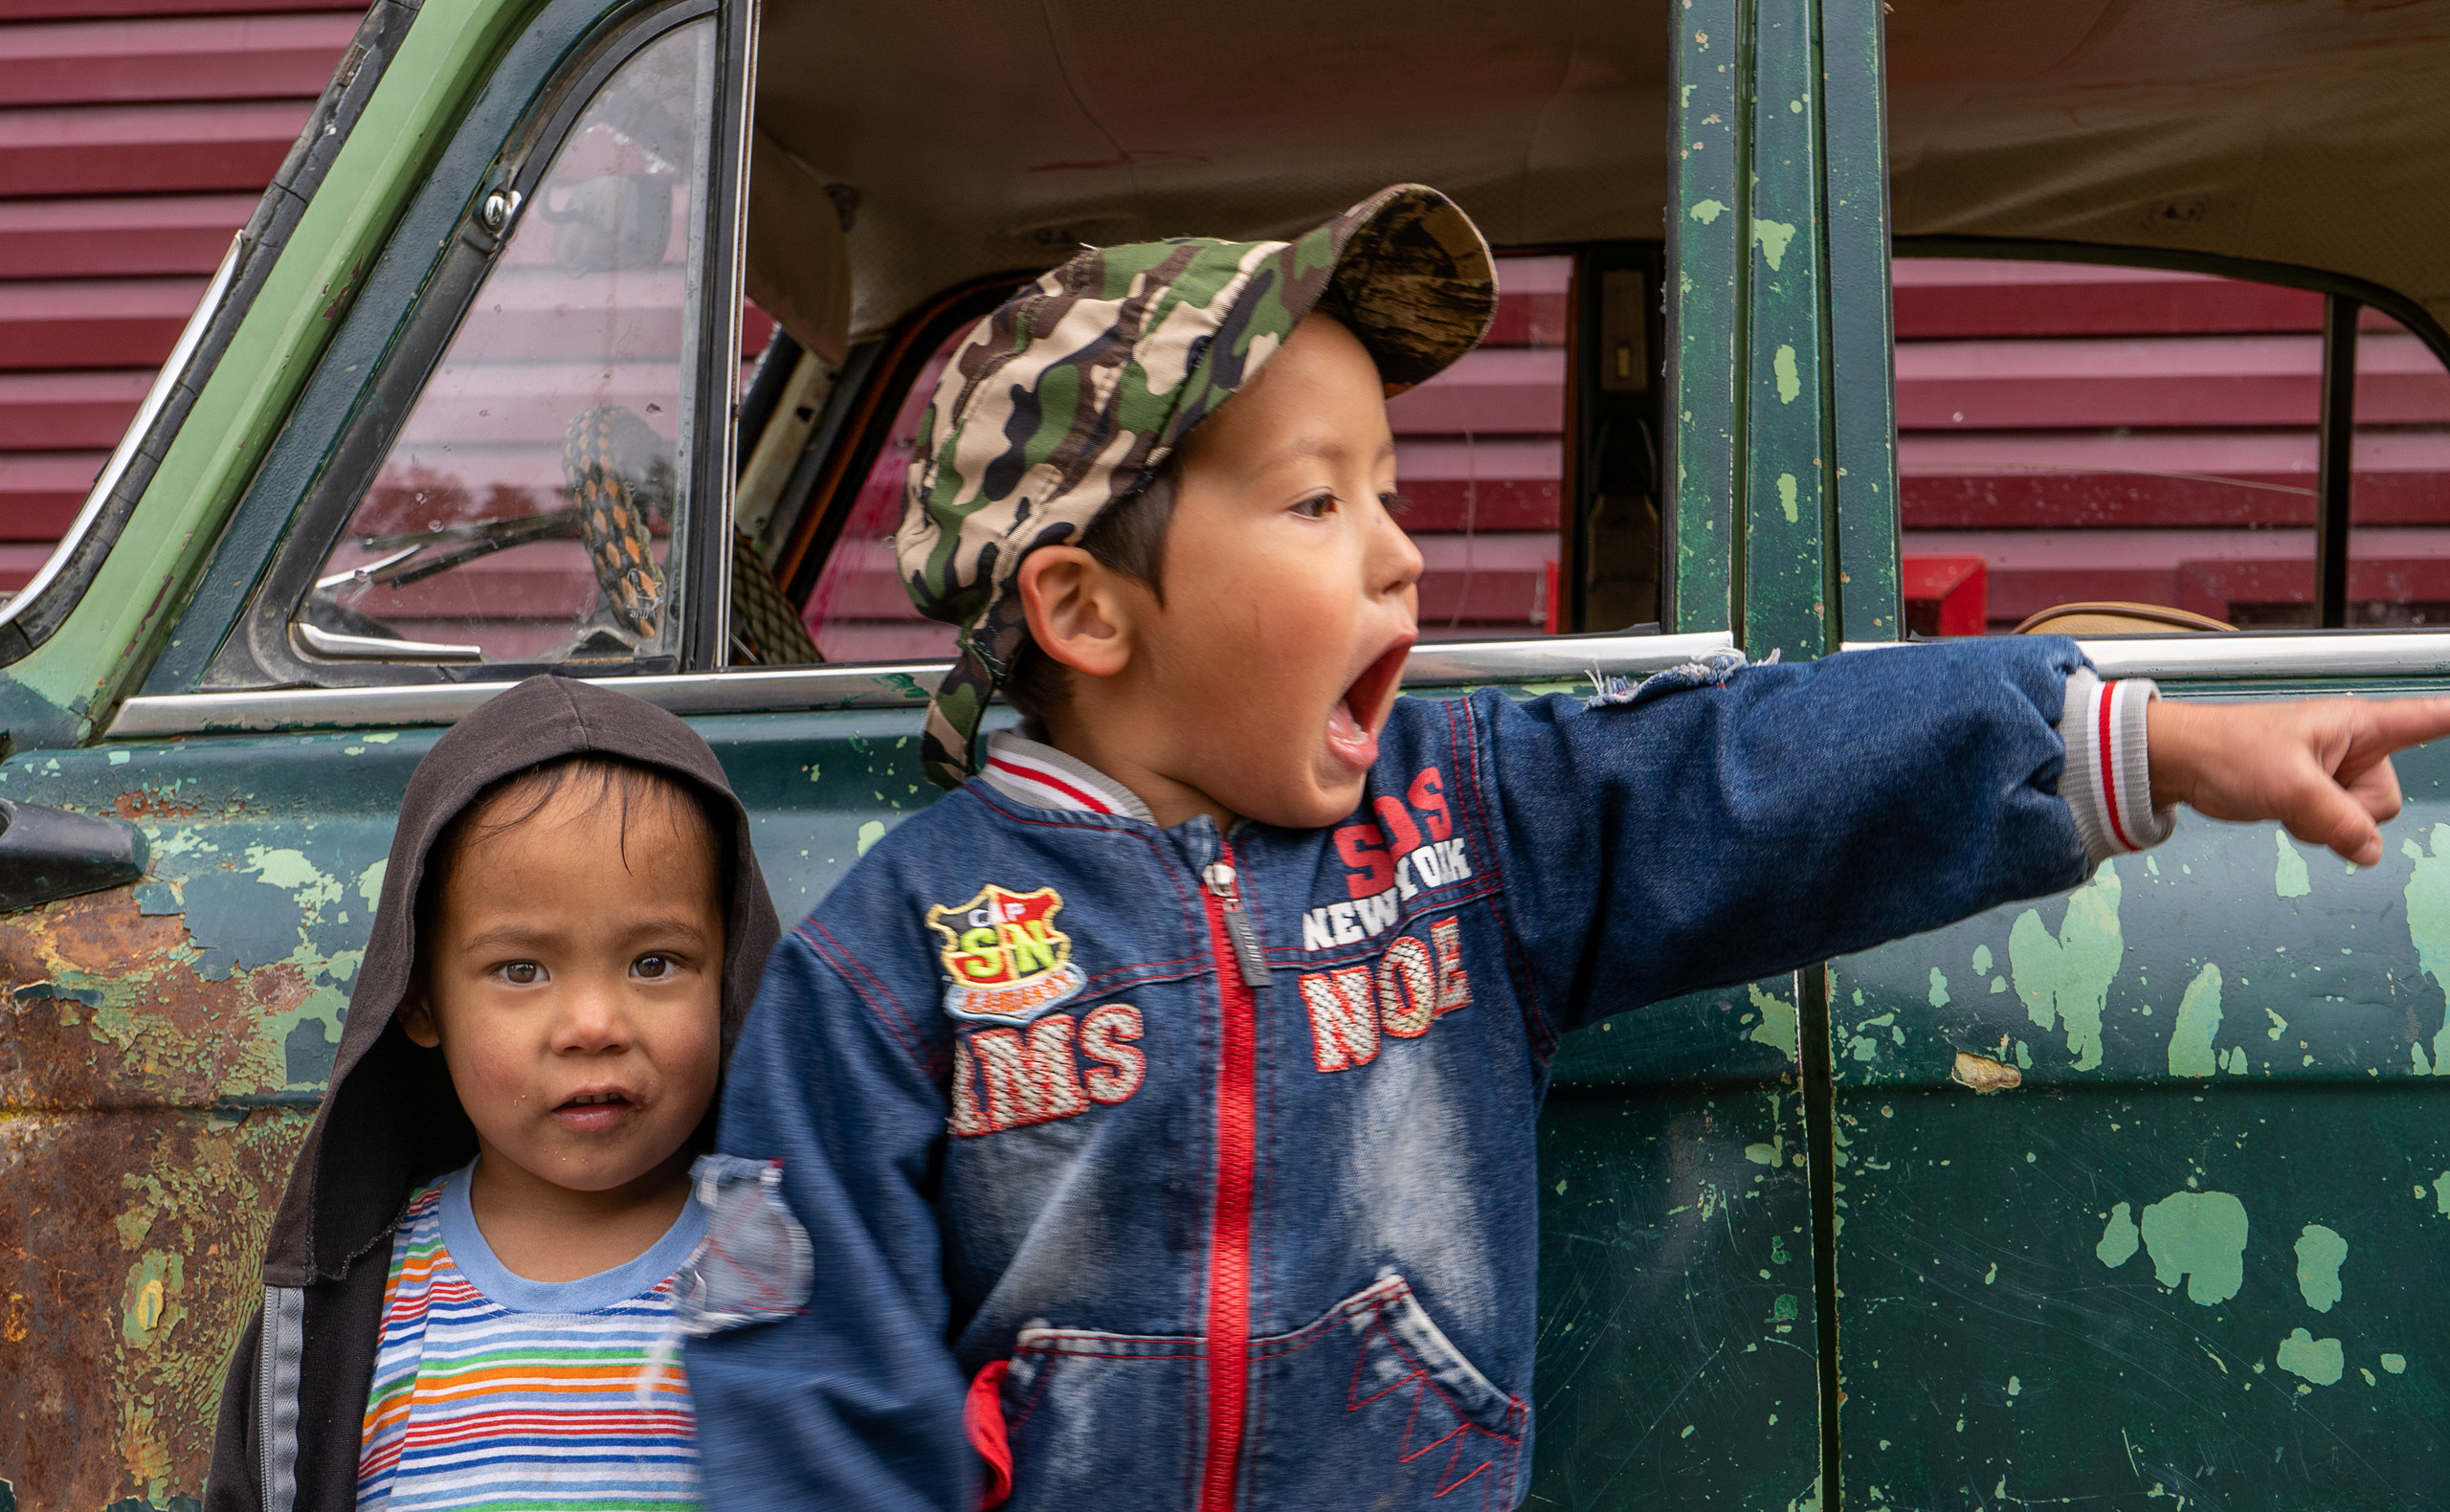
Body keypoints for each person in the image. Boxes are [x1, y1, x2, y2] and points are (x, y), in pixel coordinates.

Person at [682, 184, 2450, 1511]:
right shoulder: (896, 953)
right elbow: (805, 1382)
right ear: (1081, 606)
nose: (1398, 558)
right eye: (1316, 503)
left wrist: (2155, 738)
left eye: (1388, 489)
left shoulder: (1457, 829)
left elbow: (1749, 778)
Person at [205, 676, 784, 1512]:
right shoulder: (360, 1314)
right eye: (522, 970)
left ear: (728, 978)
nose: (593, 1025)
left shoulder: (783, 1263)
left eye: (655, 962)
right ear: (420, 999)